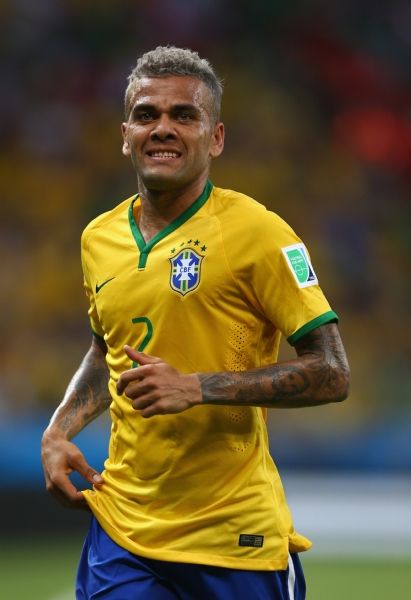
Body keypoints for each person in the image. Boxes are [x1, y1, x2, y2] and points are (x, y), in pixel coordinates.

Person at [41, 46, 350, 600]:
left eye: (183, 115)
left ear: (215, 138)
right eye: (146, 115)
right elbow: (106, 348)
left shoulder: (257, 232)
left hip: (233, 538)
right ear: (126, 135)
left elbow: (332, 371)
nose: (162, 127)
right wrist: (59, 430)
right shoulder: (98, 239)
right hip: (123, 533)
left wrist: (197, 387)